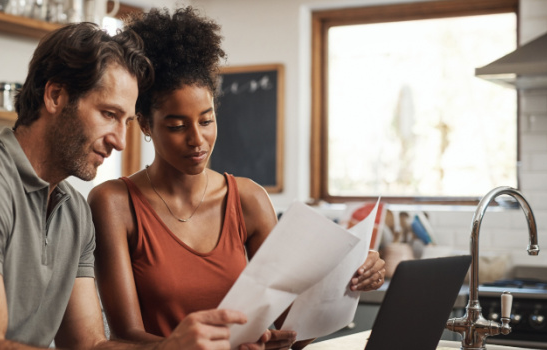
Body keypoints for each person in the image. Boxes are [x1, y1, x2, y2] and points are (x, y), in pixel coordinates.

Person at [0, 22, 264, 350]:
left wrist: (172, 347)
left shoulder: (73, 210)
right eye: (108, 114)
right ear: (55, 95)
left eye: (125, 121)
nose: (119, 141)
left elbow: (88, 345)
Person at [87, 7, 387, 350]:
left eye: (206, 120)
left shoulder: (248, 200)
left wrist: (348, 280)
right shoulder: (114, 203)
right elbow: (126, 337)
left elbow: (293, 331)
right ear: (144, 124)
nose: (197, 140)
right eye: (176, 126)